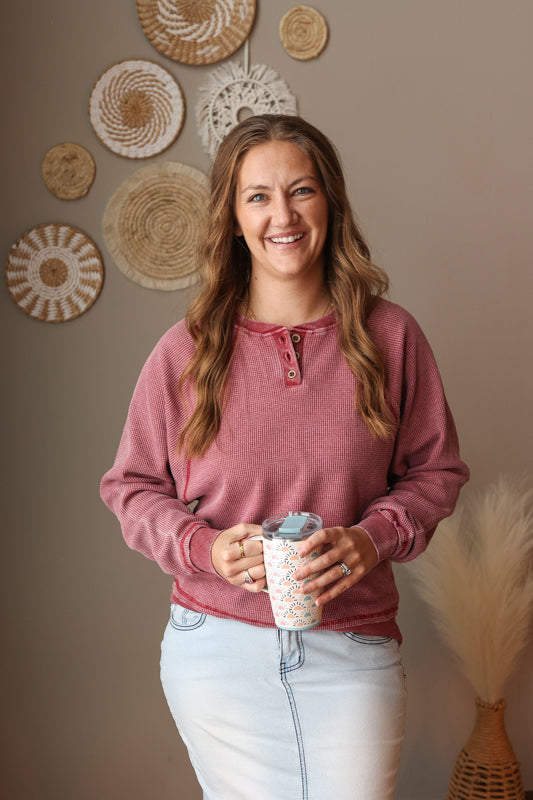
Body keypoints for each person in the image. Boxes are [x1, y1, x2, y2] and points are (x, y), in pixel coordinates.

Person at [100, 114, 469, 800]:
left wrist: (371, 538)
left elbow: (435, 471)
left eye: (300, 190)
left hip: (351, 646)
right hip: (215, 648)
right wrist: (203, 549)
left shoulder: (389, 336)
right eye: (257, 196)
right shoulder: (186, 349)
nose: (282, 215)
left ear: (329, 202)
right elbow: (131, 486)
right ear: (233, 219)